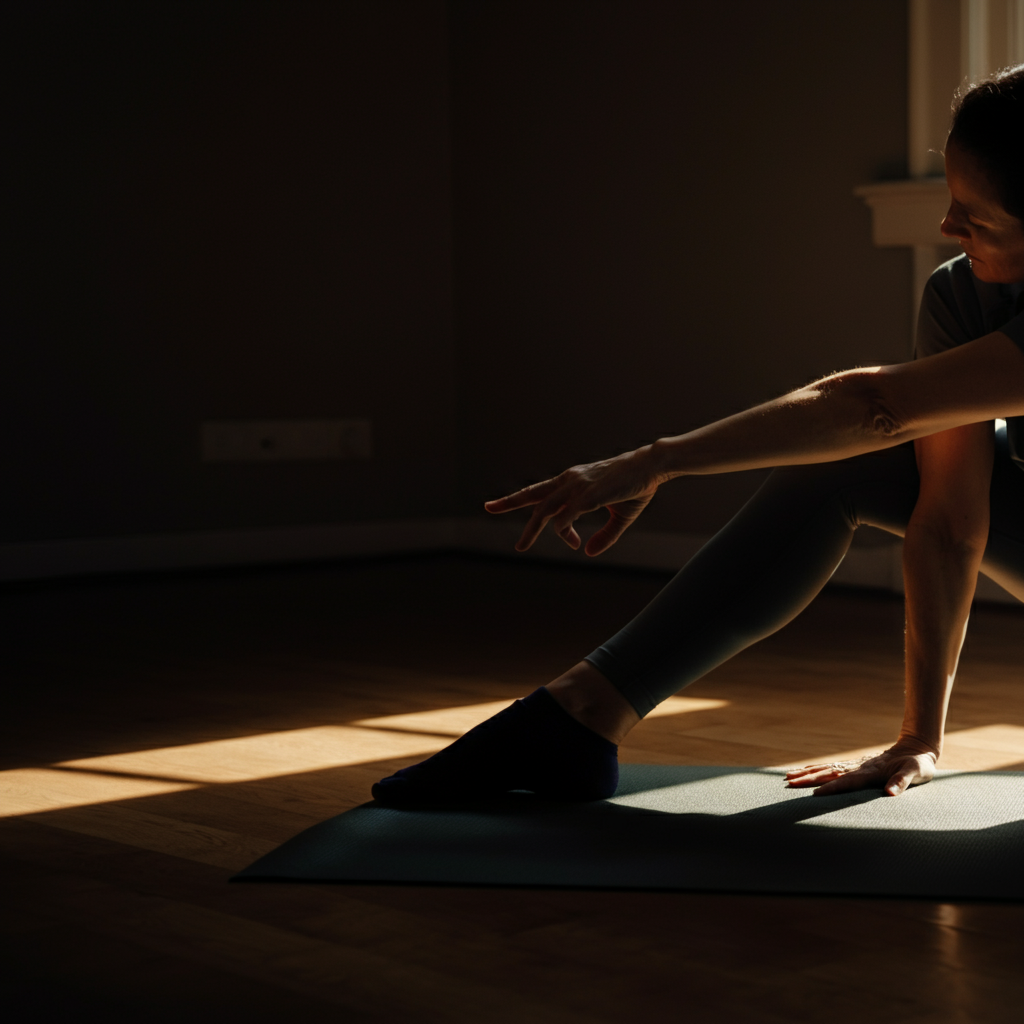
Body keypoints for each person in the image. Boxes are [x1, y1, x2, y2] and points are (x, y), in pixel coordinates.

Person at [373, 67, 1024, 807]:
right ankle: (581, 716)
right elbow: (948, 520)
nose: (946, 226)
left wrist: (658, 461)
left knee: (865, 432)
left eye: (976, 215)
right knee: (845, 469)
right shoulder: (963, 292)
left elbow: (875, 402)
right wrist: (920, 738)